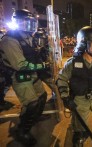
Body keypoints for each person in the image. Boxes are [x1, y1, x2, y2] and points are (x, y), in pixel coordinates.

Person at [0, 9, 48, 145]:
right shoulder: (9, 40)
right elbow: (20, 65)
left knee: (42, 97)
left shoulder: (28, 37)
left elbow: (33, 55)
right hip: (20, 77)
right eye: (27, 22)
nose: (31, 26)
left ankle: (34, 117)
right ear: (18, 22)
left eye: (32, 22)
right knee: (32, 104)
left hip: (31, 74)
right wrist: (42, 66)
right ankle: (22, 131)